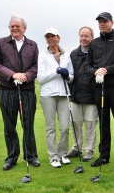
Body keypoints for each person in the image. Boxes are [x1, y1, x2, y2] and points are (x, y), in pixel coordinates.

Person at [84, 12, 114, 170]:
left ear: (112, 22)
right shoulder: (94, 43)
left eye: (105, 21)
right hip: (99, 88)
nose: (102, 24)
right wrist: (95, 71)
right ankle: (104, 156)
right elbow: (87, 65)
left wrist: (107, 70)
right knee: (103, 124)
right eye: (100, 22)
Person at [0, 14, 40, 170]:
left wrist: (26, 76)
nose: (14, 28)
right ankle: (12, 157)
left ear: (24, 28)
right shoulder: (0, 43)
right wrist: (12, 75)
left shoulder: (32, 45)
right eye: (12, 26)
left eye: (17, 26)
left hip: (27, 89)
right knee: (9, 125)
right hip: (7, 89)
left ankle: (31, 155)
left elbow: (36, 66)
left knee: (28, 124)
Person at [37, 28, 74, 168]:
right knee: (50, 127)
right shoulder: (42, 55)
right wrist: (56, 71)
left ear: (58, 37)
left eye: (53, 36)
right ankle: (53, 157)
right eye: (48, 37)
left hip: (63, 94)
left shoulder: (66, 56)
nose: (50, 39)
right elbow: (40, 78)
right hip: (48, 95)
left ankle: (62, 153)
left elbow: (71, 77)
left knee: (65, 126)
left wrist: (67, 76)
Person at [66, 26, 98, 162]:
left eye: (86, 36)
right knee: (76, 123)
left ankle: (89, 150)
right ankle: (77, 148)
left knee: (90, 124)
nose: (83, 39)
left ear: (92, 37)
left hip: (92, 95)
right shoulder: (73, 54)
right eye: (81, 36)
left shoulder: (96, 53)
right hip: (76, 94)